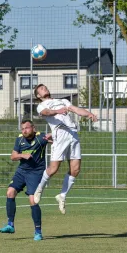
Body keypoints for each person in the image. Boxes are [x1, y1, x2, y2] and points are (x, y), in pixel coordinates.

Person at [32, 83, 98, 214]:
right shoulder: (41, 105)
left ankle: (62, 196)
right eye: (41, 89)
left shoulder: (62, 101)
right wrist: (58, 111)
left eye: (45, 87)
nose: (45, 88)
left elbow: (76, 109)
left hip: (73, 133)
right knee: (53, 169)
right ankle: (39, 188)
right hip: (60, 133)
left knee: (75, 169)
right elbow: (46, 112)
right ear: (38, 95)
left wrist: (88, 114)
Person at [0, 120, 52, 241]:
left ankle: (38, 232)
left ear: (33, 128)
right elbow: (13, 156)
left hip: (36, 173)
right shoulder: (20, 140)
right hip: (21, 171)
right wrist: (22, 155)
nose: (24, 131)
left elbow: (53, 139)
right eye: (22, 129)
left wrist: (54, 137)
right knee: (10, 192)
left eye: (26, 128)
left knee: (33, 200)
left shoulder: (40, 138)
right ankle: (10, 225)